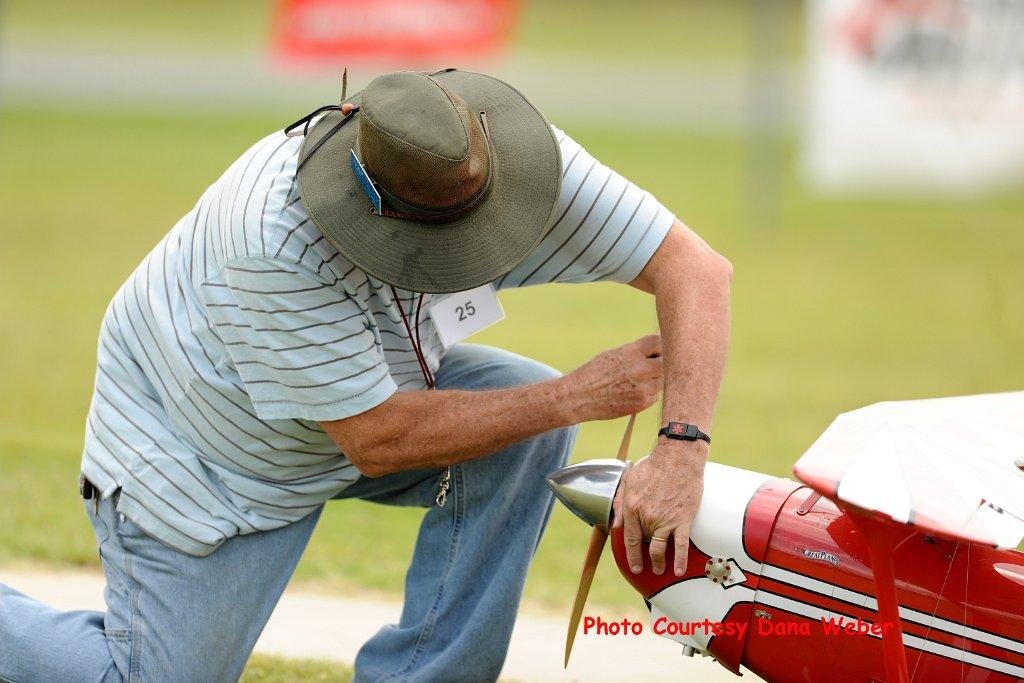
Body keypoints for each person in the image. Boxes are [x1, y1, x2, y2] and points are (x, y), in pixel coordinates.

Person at [0, 69, 731, 682]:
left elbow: (697, 271)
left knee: (527, 435)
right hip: (203, 448)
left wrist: (681, 449)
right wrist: (576, 393)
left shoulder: (497, 158)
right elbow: (376, 438)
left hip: (361, 394)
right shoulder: (271, 243)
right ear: (374, 215)